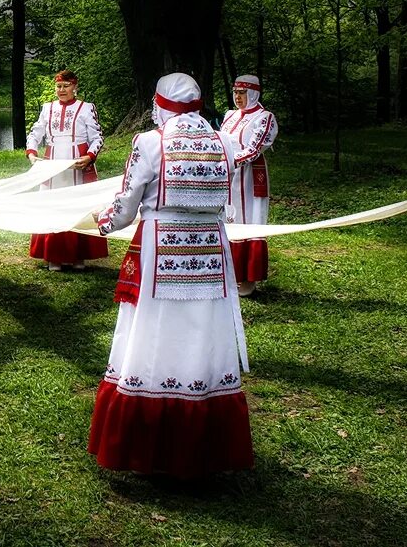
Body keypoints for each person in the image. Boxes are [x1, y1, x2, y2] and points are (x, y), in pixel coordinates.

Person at [88, 73, 252, 478]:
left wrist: (103, 222)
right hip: (211, 251)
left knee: (153, 332)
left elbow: (127, 204)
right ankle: (203, 435)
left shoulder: (150, 142)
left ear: (159, 104)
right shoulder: (225, 142)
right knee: (204, 334)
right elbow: (225, 201)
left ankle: (149, 435)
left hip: (161, 249)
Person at [25, 69, 108, 270]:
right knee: (54, 205)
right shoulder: (47, 108)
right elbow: (36, 132)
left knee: (78, 205)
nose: (62, 90)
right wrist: (32, 152)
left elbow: (97, 137)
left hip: (77, 162)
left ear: (75, 87)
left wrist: (89, 156)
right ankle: (54, 256)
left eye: (66, 86)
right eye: (58, 86)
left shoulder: (86, 108)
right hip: (53, 163)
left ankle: (78, 256)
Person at [220, 74, 278, 296]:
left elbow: (255, 148)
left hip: (249, 176)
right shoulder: (230, 116)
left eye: (243, 93)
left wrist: (231, 161)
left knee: (250, 218)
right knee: (229, 217)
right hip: (228, 174)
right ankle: (230, 271)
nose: (238, 97)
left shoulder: (265, 118)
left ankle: (249, 276)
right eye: (236, 92)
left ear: (253, 93)